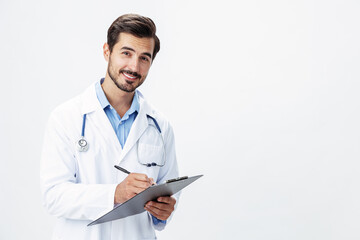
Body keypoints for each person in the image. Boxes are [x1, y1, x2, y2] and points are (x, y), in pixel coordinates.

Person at [40, 14, 179, 240]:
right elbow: (53, 196)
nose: (134, 66)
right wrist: (115, 193)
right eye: (126, 53)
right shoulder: (66, 118)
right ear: (107, 51)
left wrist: (163, 212)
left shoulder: (160, 126)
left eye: (145, 58)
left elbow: (168, 191)